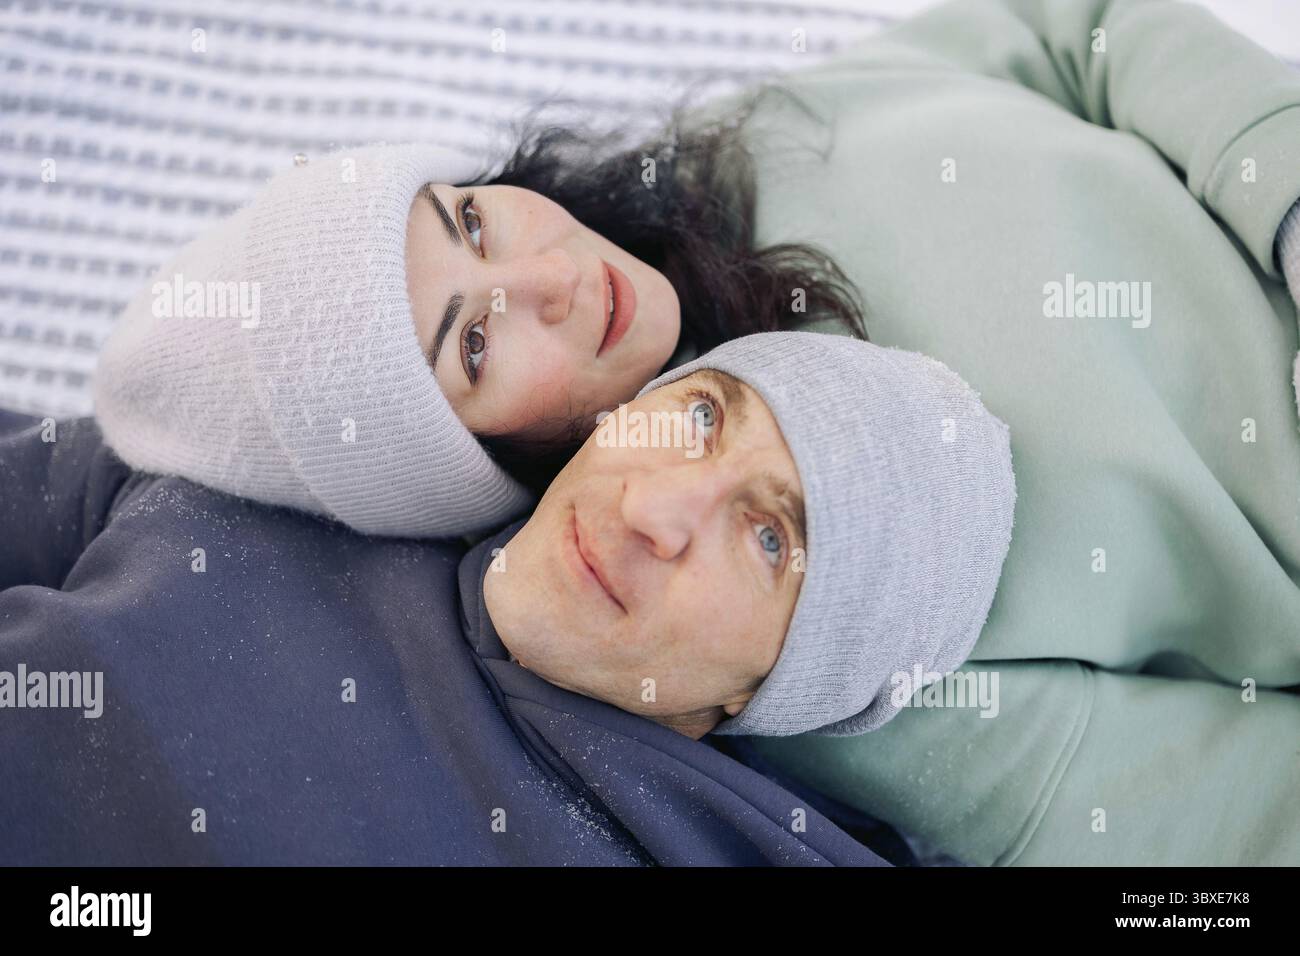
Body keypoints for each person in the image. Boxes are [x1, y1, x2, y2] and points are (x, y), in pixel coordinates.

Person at [0, 332, 1016, 864]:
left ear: (771, 690)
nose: (656, 504)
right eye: (701, 415)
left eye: (767, 535)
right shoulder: (304, 470)